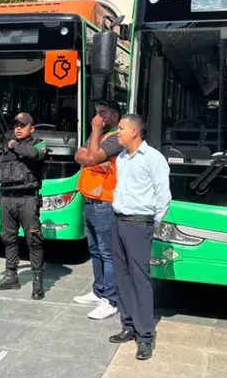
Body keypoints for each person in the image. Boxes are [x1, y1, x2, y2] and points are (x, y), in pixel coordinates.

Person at [109, 113, 171, 361]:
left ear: (135, 131)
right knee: (121, 278)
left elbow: (163, 197)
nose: (118, 132)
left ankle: (145, 337)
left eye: (122, 128)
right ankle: (128, 326)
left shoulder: (153, 158)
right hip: (118, 221)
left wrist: (151, 225)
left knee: (140, 280)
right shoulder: (122, 158)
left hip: (138, 224)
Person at [0, 112, 48, 300]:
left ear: (31, 128)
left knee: (34, 240)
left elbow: (33, 154)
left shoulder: (38, 144)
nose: (18, 128)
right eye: (16, 125)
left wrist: (15, 145)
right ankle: (11, 276)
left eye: (22, 125)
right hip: (7, 199)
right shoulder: (8, 148)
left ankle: (38, 283)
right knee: (8, 238)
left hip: (27, 199)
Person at [73, 100, 123, 320]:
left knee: (107, 251)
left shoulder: (115, 137)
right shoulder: (100, 137)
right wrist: (93, 161)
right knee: (94, 249)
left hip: (105, 201)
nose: (98, 117)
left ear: (114, 116)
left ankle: (110, 299)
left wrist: (93, 132)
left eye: (103, 113)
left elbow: (89, 156)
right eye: (97, 113)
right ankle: (98, 290)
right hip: (90, 198)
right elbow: (79, 155)